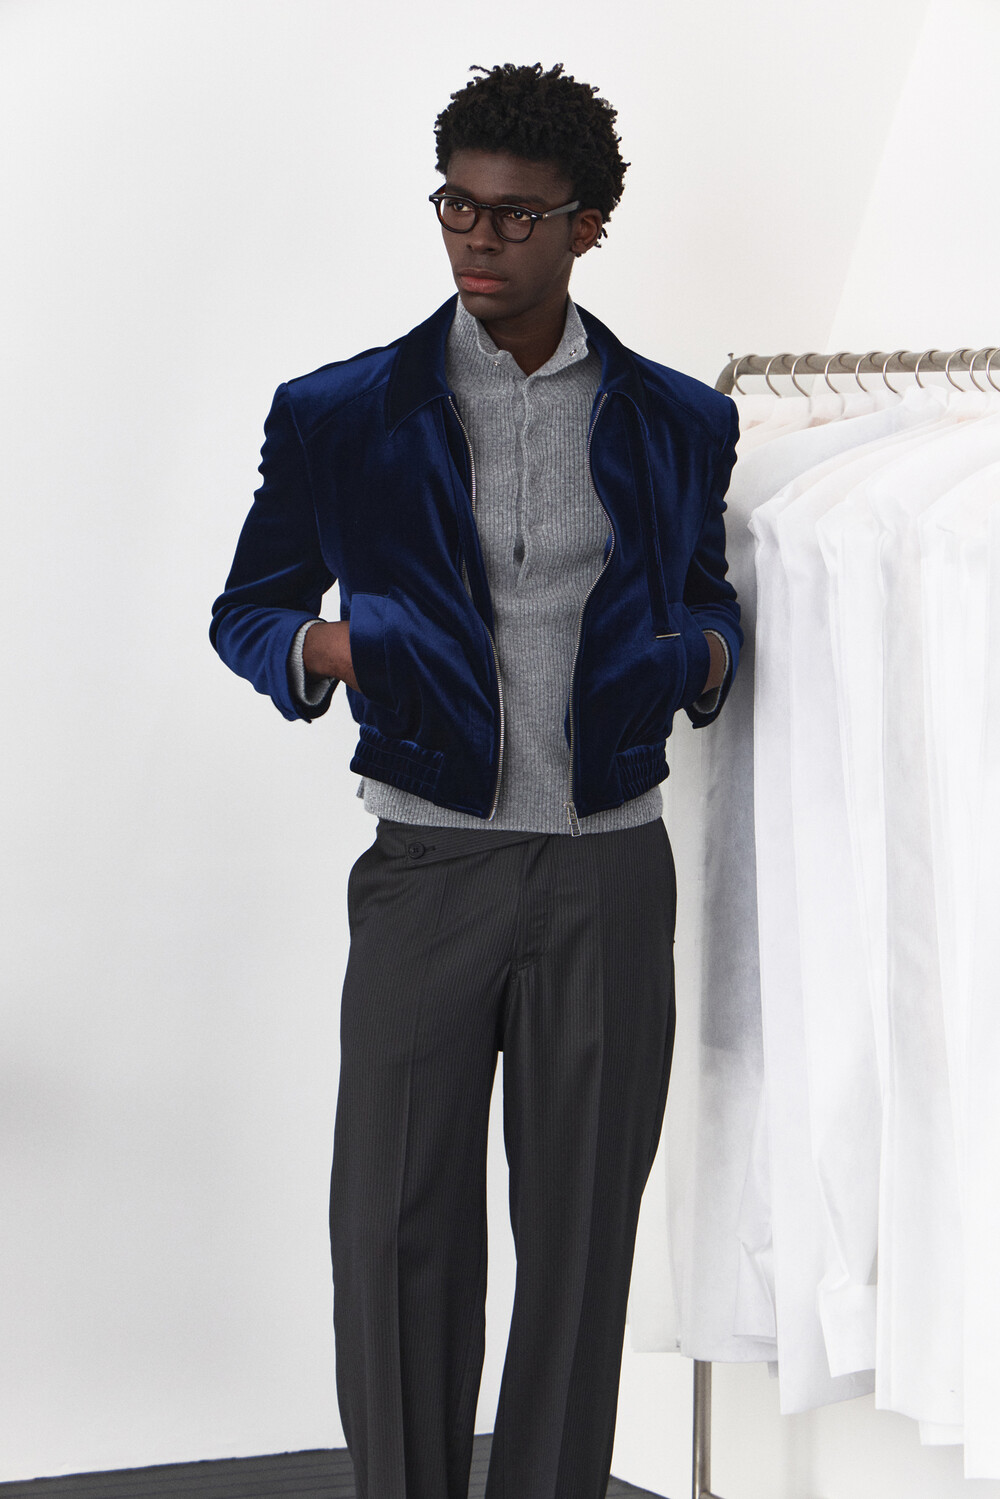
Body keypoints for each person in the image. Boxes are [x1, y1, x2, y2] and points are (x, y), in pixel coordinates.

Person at [211, 61, 741, 1499]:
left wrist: (697, 656)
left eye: (516, 215)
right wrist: (329, 645)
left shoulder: (681, 421)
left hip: (611, 869)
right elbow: (248, 607)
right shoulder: (339, 413)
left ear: (586, 227)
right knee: (394, 1228)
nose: (478, 237)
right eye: (457, 204)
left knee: (580, 1239)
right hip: (429, 868)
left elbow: (706, 594)